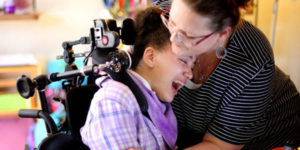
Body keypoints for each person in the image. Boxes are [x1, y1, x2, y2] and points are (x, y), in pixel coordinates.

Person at [154, 0, 300, 149]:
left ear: (222, 34)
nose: (173, 39)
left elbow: (218, 145)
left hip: (266, 136)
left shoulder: (252, 62)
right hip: (193, 132)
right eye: (171, 22)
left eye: (190, 36)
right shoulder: (174, 9)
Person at [80, 6, 195, 150]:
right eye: (184, 60)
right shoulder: (114, 98)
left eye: (193, 65)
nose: (190, 74)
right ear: (151, 56)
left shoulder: (157, 105)